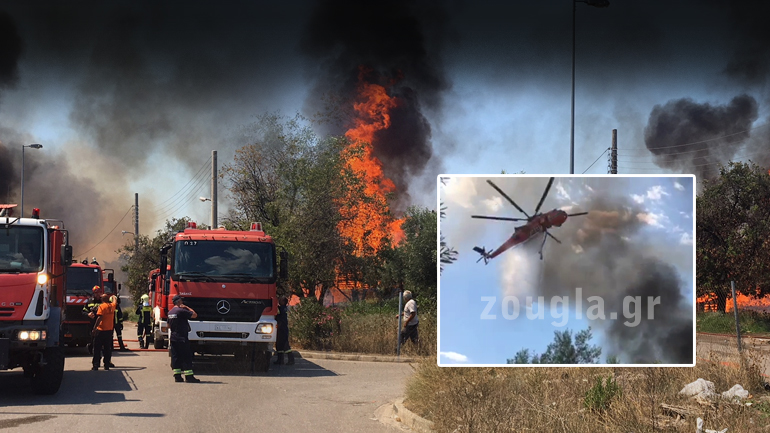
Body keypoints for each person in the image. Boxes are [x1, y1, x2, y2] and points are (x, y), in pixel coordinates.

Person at [168, 295, 200, 383]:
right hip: (182, 338)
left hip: (173, 338)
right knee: (186, 357)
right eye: (181, 301)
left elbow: (168, 325)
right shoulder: (181, 311)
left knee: (176, 357)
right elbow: (194, 315)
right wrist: (187, 307)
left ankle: (177, 376)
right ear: (179, 302)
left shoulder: (170, 312)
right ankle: (189, 377)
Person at [91, 293, 118, 370]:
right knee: (107, 349)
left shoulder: (102, 306)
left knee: (97, 348)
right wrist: (113, 296)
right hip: (109, 331)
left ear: (102, 299)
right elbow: (115, 301)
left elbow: (99, 318)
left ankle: (96, 365)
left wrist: (94, 328)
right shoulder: (112, 306)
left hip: (101, 330)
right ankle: (106, 365)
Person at [274, 296, 294, 365]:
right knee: (279, 345)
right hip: (282, 329)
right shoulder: (284, 308)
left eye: (280, 300)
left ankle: (291, 360)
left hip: (282, 329)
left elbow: (278, 316)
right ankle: (280, 360)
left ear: (283, 302)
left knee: (285, 345)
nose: (279, 301)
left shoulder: (282, 309)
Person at [84, 285, 103, 355]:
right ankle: (91, 348)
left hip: (102, 323)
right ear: (93, 293)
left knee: (101, 338)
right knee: (92, 337)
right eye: (96, 292)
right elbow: (83, 311)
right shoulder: (90, 301)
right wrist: (88, 314)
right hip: (92, 323)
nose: (98, 294)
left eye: (99, 292)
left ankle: (99, 350)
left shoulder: (103, 301)